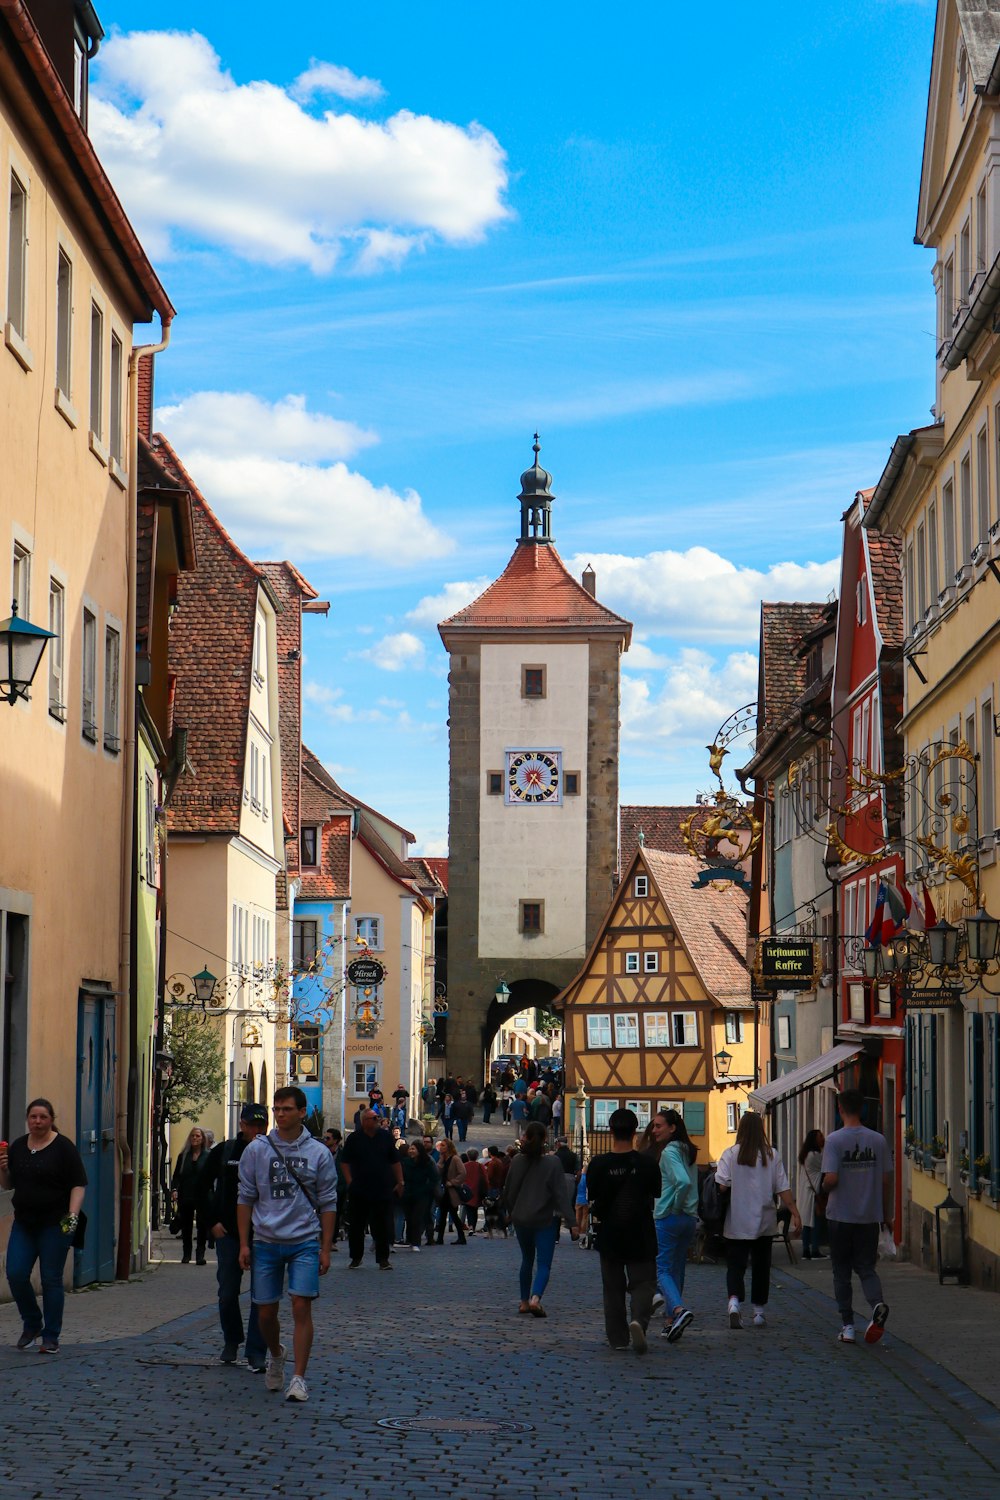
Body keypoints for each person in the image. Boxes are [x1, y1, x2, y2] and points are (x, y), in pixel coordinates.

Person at [236, 1086, 337, 1403]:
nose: (280, 1114)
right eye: (276, 1109)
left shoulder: (318, 1153)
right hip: (266, 1240)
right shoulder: (257, 1150)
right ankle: (276, 1353)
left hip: (304, 1240)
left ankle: (299, 1377)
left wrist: (325, 1246)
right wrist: (244, 1243)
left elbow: (329, 1202)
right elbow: (245, 1198)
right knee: (265, 1313)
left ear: (302, 1112)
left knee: (299, 1305)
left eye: (287, 1109)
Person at [0, 1098, 87, 1354]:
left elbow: (78, 1184)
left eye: (43, 1117)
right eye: (33, 1117)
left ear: (51, 1119)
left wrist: (72, 1215)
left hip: (54, 1223)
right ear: (28, 1119)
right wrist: (2, 1169)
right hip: (25, 1223)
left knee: (51, 1279)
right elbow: (8, 1185)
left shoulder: (63, 1147)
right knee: (15, 1273)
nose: (37, 1122)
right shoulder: (18, 1147)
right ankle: (32, 1323)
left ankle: (51, 1336)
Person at [715, 1112, 801, 1329]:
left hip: (737, 1220)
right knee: (761, 1266)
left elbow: (722, 1185)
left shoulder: (731, 1154)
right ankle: (759, 1312)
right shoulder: (772, 1155)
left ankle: (734, 1302)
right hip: (764, 1220)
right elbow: (783, 1188)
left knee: (736, 1265)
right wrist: (795, 1212)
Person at [820, 1089, 892, 1346]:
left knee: (841, 1272)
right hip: (869, 1216)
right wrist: (885, 1215)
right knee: (866, 1268)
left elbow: (832, 1178)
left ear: (840, 1109)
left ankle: (848, 1325)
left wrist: (824, 1187)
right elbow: (885, 1181)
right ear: (862, 1108)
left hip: (840, 1215)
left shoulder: (834, 1141)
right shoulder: (879, 1141)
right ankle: (877, 1304)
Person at [586, 1108, 660, 1353]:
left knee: (613, 1288)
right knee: (644, 1283)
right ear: (635, 1132)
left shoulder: (599, 1164)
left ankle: (617, 1338)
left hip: (610, 1232)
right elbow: (655, 1194)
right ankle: (639, 1319)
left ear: (611, 1131)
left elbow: (593, 1195)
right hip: (641, 1232)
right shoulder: (648, 1164)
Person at [202, 1102, 269, 1369]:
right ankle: (232, 1339)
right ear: (242, 1124)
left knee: (261, 1295)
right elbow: (201, 1187)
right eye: (251, 1125)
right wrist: (212, 1223)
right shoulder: (226, 1151)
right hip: (228, 1232)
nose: (256, 1130)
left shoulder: (271, 1151)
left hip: (263, 1233)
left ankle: (256, 1350)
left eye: (260, 1125)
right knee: (228, 1292)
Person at [502, 1123, 578, 1315]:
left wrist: (512, 1211)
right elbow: (561, 1195)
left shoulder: (517, 1160)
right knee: (544, 1263)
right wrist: (572, 1222)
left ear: (526, 1137)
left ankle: (523, 1302)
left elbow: (509, 1191)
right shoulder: (553, 1163)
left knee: (527, 1260)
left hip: (522, 1219)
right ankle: (536, 1298)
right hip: (546, 1219)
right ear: (546, 1139)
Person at [650, 1109, 699, 1342]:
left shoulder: (669, 1152)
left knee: (662, 1269)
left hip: (670, 1216)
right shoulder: (686, 1149)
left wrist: (675, 1206)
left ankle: (678, 1310)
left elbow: (683, 1181)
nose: (654, 1130)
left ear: (672, 1128)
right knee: (677, 1268)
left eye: (659, 1126)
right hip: (689, 1219)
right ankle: (671, 1321)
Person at [340, 1110, 403, 1268]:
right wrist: (350, 1181)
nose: (377, 1120)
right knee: (356, 1225)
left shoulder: (385, 1136)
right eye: (373, 1118)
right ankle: (356, 1257)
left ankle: (383, 1259)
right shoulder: (354, 1138)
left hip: (382, 1187)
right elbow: (344, 1161)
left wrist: (400, 1181)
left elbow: (395, 1161)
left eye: (377, 1118)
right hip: (359, 1188)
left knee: (382, 1224)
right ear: (364, 1121)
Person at [171, 1125, 211, 1264]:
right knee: (186, 1226)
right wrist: (174, 1190)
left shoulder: (208, 1156)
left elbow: (212, 1176)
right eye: (193, 1135)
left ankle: (200, 1255)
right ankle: (186, 1254)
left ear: (202, 1139)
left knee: (201, 1226)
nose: (195, 1138)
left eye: (198, 1136)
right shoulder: (183, 1156)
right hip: (185, 1194)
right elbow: (176, 1176)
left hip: (202, 1196)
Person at [399, 1141, 439, 1251]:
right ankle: (410, 1240)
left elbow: (434, 1178)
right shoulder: (405, 1162)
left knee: (417, 1218)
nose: (411, 1151)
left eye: (413, 1149)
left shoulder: (427, 1163)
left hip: (421, 1194)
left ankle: (416, 1242)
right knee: (409, 1218)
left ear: (419, 1151)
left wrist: (427, 1188)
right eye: (410, 1149)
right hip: (407, 1194)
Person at [797, 1129, 827, 1261]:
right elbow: (827, 1167)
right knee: (815, 1222)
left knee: (808, 1223)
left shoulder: (806, 1155)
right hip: (813, 1193)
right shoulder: (814, 1156)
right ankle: (814, 1250)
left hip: (806, 1192)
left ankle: (806, 1251)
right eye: (820, 1136)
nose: (823, 1138)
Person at [435, 1138, 469, 1244]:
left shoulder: (455, 1159)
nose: (441, 1147)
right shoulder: (443, 1159)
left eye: (443, 1145)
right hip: (444, 1191)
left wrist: (453, 1182)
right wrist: (440, 1160)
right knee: (443, 1214)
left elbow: (463, 1173)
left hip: (452, 1191)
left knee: (453, 1214)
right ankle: (440, 1238)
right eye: (441, 1145)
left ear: (449, 1147)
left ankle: (461, 1237)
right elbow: (438, 1172)